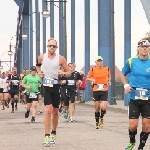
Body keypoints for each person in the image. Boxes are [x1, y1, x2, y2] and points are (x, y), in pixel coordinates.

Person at [36, 38, 71, 146]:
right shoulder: (42, 57)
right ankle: (46, 136)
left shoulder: (61, 59)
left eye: (54, 46)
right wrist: (39, 73)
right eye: (50, 46)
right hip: (46, 85)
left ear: (56, 48)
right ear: (47, 46)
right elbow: (37, 65)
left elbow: (69, 72)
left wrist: (63, 73)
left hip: (56, 85)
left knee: (55, 111)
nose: (52, 47)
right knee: (48, 110)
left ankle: (53, 132)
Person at [121, 39, 150, 150]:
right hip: (134, 97)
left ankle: (141, 147)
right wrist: (125, 85)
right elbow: (123, 75)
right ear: (138, 48)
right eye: (142, 46)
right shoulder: (131, 61)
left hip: (148, 98)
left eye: (147, 46)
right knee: (133, 125)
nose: (144, 48)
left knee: (146, 126)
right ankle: (132, 141)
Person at [86, 56, 111, 129]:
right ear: (96, 62)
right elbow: (87, 78)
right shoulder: (93, 69)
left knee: (104, 107)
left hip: (104, 89)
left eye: (101, 61)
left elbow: (109, 76)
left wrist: (109, 81)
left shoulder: (107, 69)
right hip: (96, 89)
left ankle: (101, 118)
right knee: (97, 107)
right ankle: (97, 122)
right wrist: (92, 80)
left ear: (102, 62)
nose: (100, 63)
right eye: (98, 61)